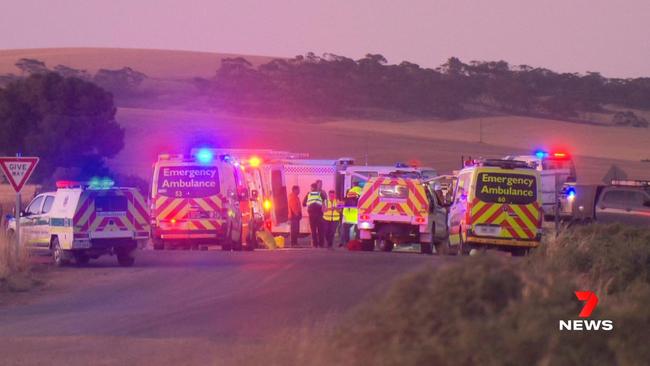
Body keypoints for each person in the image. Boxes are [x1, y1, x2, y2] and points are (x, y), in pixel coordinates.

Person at [340, 182, 363, 247]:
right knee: (358, 231)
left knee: (345, 231)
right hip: (357, 215)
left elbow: (344, 202)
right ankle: (358, 243)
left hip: (348, 216)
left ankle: (346, 243)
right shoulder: (362, 191)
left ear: (353, 185)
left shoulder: (350, 191)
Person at [303, 183, 325, 247]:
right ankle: (321, 244)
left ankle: (315, 245)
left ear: (312, 188)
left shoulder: (308, 194)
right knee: (320, 230)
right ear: (317, 187)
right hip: (319, 214)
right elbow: (325, 202)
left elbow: (303, 204)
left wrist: (309, 204)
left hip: (311, 215)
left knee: (313, 230)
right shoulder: (321, 194)